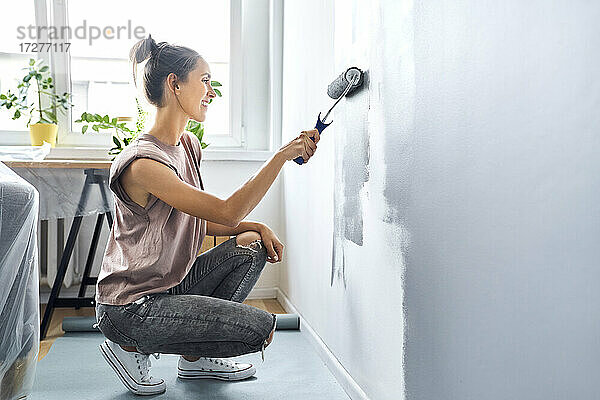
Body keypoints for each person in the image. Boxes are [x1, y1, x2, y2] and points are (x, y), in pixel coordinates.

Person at [94, 34, 319, 396]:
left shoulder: (187, 145)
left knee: (252, 244)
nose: (211, 91)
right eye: (205, 80)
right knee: (258, 329)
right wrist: (279, 156)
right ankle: (128, 347)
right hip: (132, 308)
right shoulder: (143, 164)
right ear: (175, 84)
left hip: (170, 285)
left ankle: (195, 360)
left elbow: (201, 220)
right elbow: (228, 210)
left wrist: (256, 226)